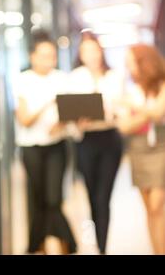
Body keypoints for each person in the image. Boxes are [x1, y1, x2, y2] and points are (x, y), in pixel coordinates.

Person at [14, 30, 77, 254]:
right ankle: (41, 245)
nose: (49, 60)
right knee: (39, 200)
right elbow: (24, 120)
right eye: (44, 56)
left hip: (57, 147)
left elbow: (71, 115)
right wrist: (47, 102)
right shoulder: (23, 80)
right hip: (31, 148)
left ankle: (63, 244)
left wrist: (60, 124)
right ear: (33, 57)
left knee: (53, 199)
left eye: (52, 56)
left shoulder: (62, 78)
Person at [68, 31, 124, 254]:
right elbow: (69, 109)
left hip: (109, 139)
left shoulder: (113, 76)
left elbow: (119, 108)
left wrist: (108, 111)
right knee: (92, 194)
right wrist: (77, 121)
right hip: (86, 141)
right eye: (85, 51)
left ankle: (103, 247)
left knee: (103, 196)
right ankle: (99, 243)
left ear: (101, 51)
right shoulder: (75, 77)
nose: (90, 55)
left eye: (94, 50)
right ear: (80, 54)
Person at [117, 44, 165, 255]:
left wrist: (137, 109)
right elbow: (124, 126)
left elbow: (158, 112)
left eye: (132, 63)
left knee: (157, 205)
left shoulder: (162, 85)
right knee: (149, 209)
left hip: (161, 148)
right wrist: (149, 112)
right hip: (138, 149)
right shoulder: (131, 90)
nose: (129, 68)